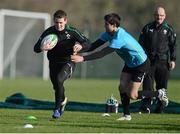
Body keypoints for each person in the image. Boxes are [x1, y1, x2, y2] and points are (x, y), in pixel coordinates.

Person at [71, 13, 169, 121]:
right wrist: (81, 48)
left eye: (106, 24)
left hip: (141, 63)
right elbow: (93, 46)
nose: (104, 26)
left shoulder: (119, 37)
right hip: (130, 63)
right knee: (122, 86)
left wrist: (83, 58)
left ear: (113, 25)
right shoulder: (108, 33)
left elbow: (102, 53)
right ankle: (127, 115)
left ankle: (159, 93)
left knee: (133, 95)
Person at [34, 10, 90, 119]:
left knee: (59, 80)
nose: (59, 25)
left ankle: (57, 109)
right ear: (54, 21)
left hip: (68, 61)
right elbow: (35, 48)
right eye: (56, 23)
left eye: (61, 23)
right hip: (53, 62)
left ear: (65, 21)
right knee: (56, 86)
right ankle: (63, 100)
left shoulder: (72, 31)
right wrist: (42, 47)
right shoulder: (48, 32)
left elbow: (88, 43)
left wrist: (81, 47)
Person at [138, 6, 177, 113]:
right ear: (154, 15)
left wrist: (173, 60)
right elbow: (140, 45)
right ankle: (146, 107)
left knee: (162, 86)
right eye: (157, 15)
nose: (159, 17)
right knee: (147, 84)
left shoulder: (168, 29)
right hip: (148, 61)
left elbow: (173, 46)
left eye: (161, 15)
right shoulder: (147, 28)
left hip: (163, 61)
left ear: (164, 16)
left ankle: (160, 108)